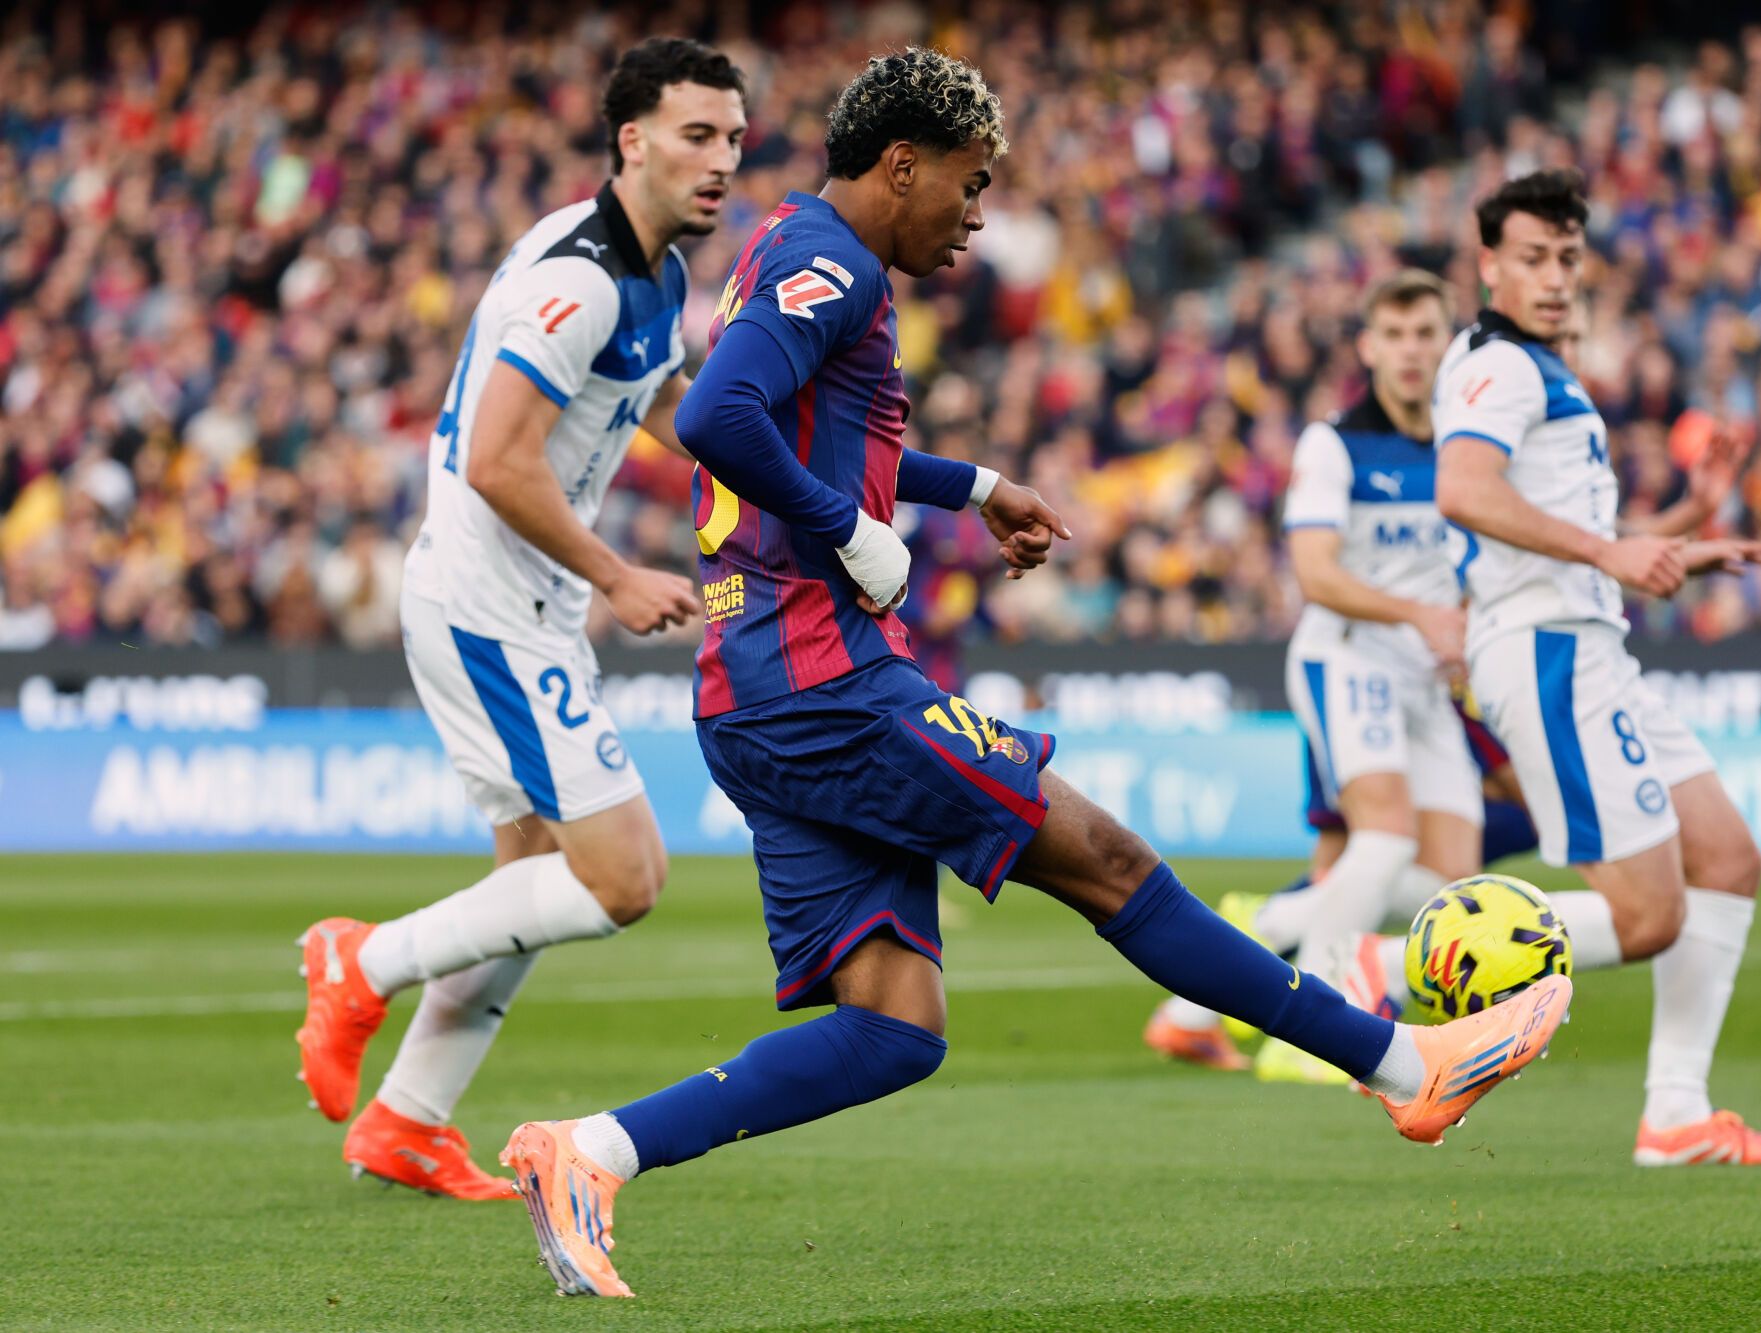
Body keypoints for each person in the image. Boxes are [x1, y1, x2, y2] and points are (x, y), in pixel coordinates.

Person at [493, 49, 1572, 1299]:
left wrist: (970, 487)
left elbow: (801, 430)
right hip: (821, 676)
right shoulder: (828, 262)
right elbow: (718, 417)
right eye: (967, 182)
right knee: (1108, 863)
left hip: (756, 690)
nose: (977, 213)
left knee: (893, 1028)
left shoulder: (793, 243)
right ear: (901, 166)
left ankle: (591, 1152)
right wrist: (851, 535)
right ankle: (1401, 1068)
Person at [292, 38, 747, 1198]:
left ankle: (406, 1118)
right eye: (698, 136)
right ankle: (364, 958)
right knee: (624, 876)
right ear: (631, 140)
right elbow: (499, 459)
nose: (722, 162)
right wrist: (616, 575)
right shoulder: (583, 276)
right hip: (494, 605)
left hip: (502, 598)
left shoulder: (652, 273)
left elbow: (651, 399)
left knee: (527, 879)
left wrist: (771, 481)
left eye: (734, 140)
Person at [1432, 169, 1761, 1167]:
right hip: (1550, 651)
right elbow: (1462, 489)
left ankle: (1674, 1112)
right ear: (1487, 264)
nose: (1552, 277)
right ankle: (1388, 964)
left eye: (1565, 258)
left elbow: (1574, 532)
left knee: (1725, 856)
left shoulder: (1536, 372)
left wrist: (1684, 523)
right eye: (1530, 258)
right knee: (1647, 912)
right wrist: (1607, 555)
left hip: (1589, 643)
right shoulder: (1500, 368)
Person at [1146, 271, 1488, 1082]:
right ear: (1369, 347)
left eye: (1425, 334)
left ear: (1448, 345)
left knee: (1446, 880)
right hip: (1348, 657)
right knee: (1385, 835)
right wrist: (1421, 617)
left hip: (1424, 674)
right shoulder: (1335, 442)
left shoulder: (1463, 447)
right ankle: (1327, 1024)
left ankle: (1219, 975)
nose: (1411, 351)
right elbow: (1315, 573)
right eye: (1395, 335)